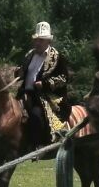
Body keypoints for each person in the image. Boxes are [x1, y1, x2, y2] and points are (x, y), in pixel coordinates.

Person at [16, 21, 71, 153]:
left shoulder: (57, 57)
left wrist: (45, 84)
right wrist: (19, 72)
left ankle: (39, 145)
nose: (37, 43)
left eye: (41, 40)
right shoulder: (30, 54)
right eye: (36, 40)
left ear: (48, 41)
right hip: (25, 93)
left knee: (36, 115)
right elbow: (23, 70)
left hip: (45, 97)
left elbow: (64, 78)